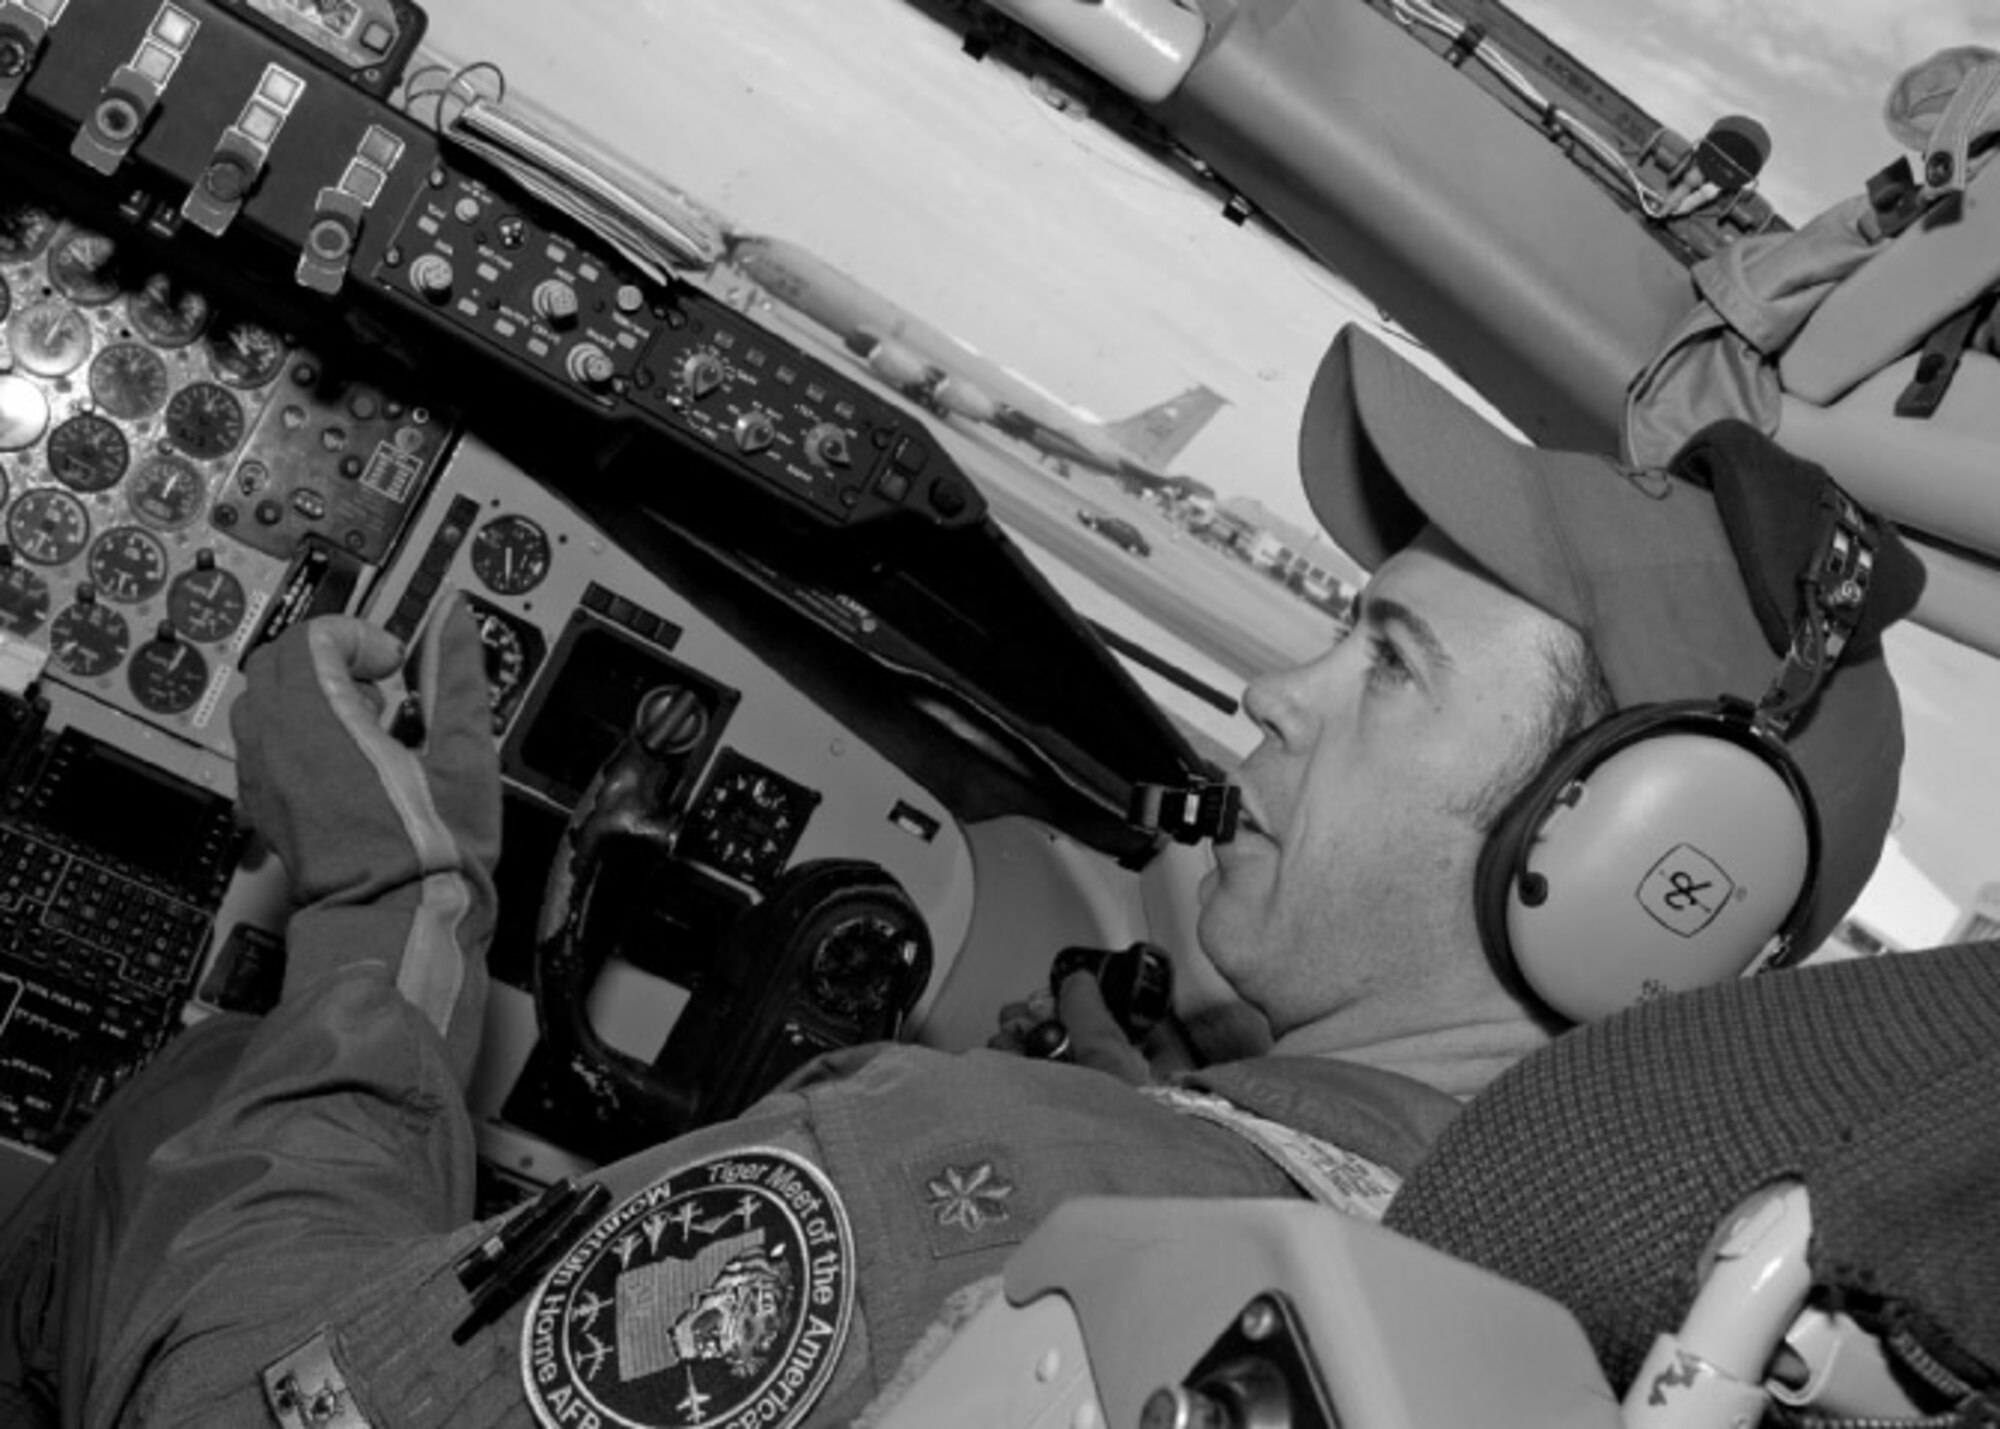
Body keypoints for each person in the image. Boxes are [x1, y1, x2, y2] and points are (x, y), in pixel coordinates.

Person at [0, 327, 1920, 1429]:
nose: (1273, 686)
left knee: (176, 1110)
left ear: (1639, 871)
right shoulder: (1561, 1324)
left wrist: (385, 922)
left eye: (1388, 660)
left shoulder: (946, 1195)